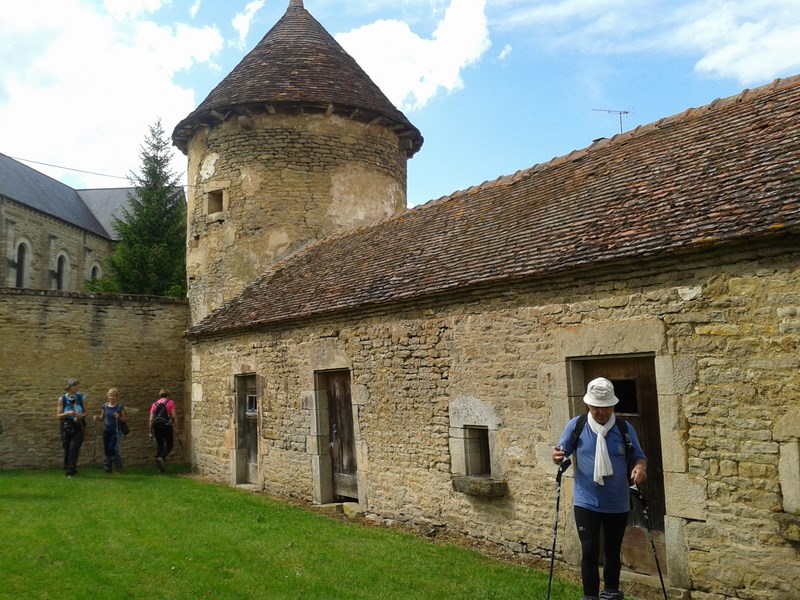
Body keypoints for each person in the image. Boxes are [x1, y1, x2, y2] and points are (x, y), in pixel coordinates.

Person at [552, 377, 648, 600]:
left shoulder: (624, 429)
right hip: (586, 500)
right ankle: (590, 597)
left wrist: (640, 468)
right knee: (589, 550)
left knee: (613, 551)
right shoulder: (577, 426)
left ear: (613, 406)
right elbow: (560, 452)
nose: (601, 413)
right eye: (596, 408)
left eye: (605, 408)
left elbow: (639, 457)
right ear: (588, 405)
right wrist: (556, 456)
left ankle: (611, 594)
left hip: (617, 501)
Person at [57, 379, 88, 478]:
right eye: (74, 386)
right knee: (67, 447)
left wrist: (81, 415)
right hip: (66, 425)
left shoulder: (81, 398)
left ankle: (70, 471)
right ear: (69, 387)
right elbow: (58, 416)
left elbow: (86, 412)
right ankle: (69, 467)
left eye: (77, 386)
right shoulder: (62, 399)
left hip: (79, 424)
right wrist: (67, 413)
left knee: (74, 447)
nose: (77, 387)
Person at [93, 388, 127, 473]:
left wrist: (119, 417)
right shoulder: (105, 406)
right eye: (110, 395)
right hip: (106, 430)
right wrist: (97, 417)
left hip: (116, 430)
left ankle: (118, 465)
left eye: (114, 396)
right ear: (108, 396)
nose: (112, 397)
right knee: (106, 449)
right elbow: (102, 418)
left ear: (117, 397)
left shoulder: (119, 407)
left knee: (112, 448)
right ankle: (107, 468)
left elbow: (125, 419)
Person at [149, 388, 178, 473]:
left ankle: (159, 468)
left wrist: (150, 431)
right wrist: (177, 428)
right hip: (167, 425)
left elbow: (151, 419)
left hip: (156, 425)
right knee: (170, 444)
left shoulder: (154, 404)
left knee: (160, 445)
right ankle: (161, 458)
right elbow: (174, 416)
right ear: (168, 395)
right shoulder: (170, 402)